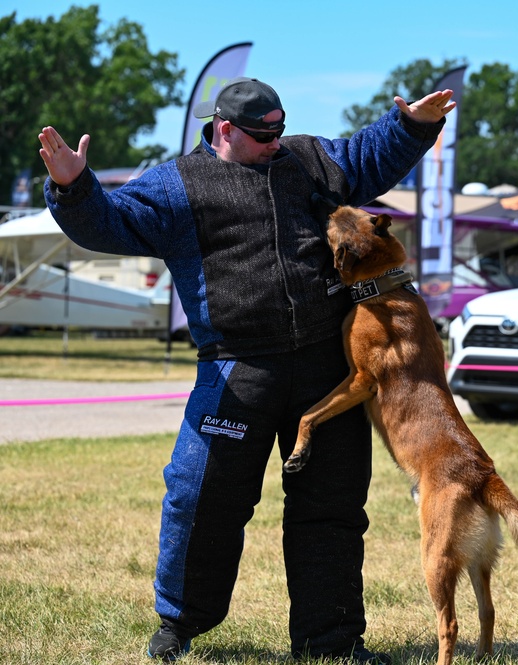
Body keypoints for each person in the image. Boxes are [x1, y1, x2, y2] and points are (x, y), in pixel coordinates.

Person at [38, 77, 455, 663]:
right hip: (234, 369)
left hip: (323, 368)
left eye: (282, 131)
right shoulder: (176, 183)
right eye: (264, 136)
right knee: (201, 498)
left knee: (331, 507)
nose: (277, 144)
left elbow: (368, 154)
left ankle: (330, 642)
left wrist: (412, 126)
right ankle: (178, 625)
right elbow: (110, 222)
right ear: (225, 130)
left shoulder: (309, 158)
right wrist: (73, 187)